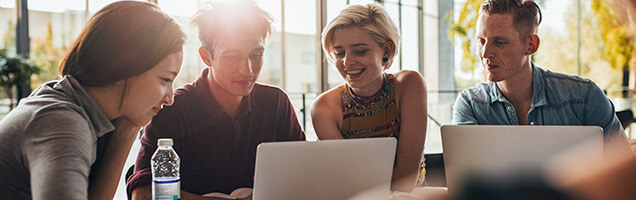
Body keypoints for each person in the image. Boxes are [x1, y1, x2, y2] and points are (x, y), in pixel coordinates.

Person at [0, 1, 185, 199]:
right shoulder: (62, 124)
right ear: (124, 66)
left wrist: (128, 129)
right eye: (165, 79)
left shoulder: (67, 101)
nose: (170, 98)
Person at [126, 1, 305, 199]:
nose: (247, 69)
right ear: (206, 57)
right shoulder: (173, 109)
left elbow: (303, 173)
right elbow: (142, 194)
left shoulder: (276, 103)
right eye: (232, 57)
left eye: (256, 55)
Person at [451, 0, 631, 155]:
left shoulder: (584, 98)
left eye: (499, 42)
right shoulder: (471, 105)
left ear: (531, 45)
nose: (485, 53)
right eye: (481, 41)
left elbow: (626, 174)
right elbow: (465, 183)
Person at [311, 3, 428, 192]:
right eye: (339, 53)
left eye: (360, 51)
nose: (347, 62)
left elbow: (405, 181)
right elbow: (349, 181)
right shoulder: (324, 108)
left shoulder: (409, 85)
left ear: (386, 51)